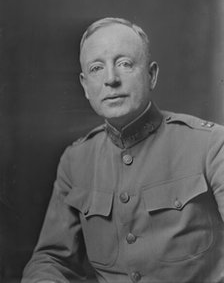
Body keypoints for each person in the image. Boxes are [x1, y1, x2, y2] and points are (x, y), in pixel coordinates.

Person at [22, 17, 224, 283]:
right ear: (85, 85)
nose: (110, 79)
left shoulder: (210, 144)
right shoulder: (75, 160)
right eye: (96, 68)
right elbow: (51, 259)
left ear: (151, 75)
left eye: (125, 64)